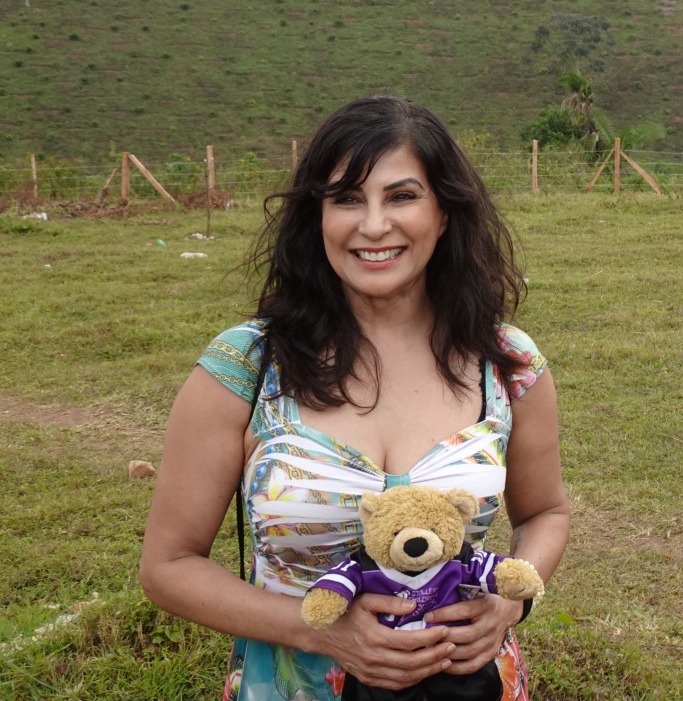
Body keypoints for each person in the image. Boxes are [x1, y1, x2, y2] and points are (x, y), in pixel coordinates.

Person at [140, 96, 569, 701]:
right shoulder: (245, 366)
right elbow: (168, 567)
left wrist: (508, 605)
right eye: (346, 198)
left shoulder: (507, 363)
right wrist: (320, 632)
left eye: (401, 196)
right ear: (317, 216)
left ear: (444, 212)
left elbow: (545, 514)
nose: (372, 225)